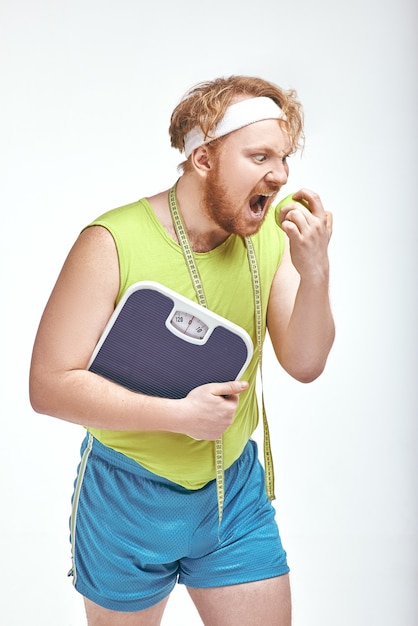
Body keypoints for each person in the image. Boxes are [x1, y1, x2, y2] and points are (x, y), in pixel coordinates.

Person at [29, 75, 334, 626]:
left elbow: (306, 363)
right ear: (202, 159)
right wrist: (179, 416)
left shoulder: (268, 237)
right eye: (260, 154)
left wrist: (315, 273)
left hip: (231, 493)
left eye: (285, 157)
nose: (280, 174)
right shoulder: (111, 241)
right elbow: (48, 384)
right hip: (126, 496)